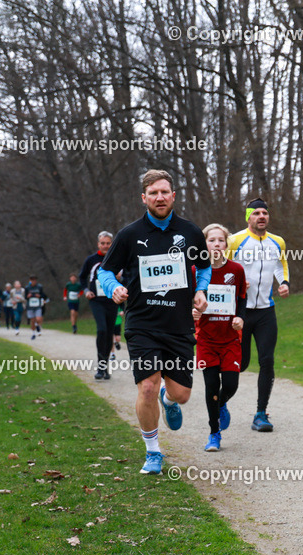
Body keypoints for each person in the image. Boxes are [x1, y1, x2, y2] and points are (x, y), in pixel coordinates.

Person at [97, 169, 210, 475]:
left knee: (181, 395)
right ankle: (153, 451)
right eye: (153, 193)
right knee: (147, 386)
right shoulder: (129, 235)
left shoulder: (190, 232)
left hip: (178, 324)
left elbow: (204, 267)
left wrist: (201, 290)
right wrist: (113, 287)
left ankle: (168, 401)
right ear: (143, 198)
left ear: (173, 196)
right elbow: (105, 271)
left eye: (164, 192)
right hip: (142, 323)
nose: (159, 197)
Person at [227, 198, 290, 432]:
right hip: (240, 312)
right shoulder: (234, 240)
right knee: (241, 364)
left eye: (265, 213)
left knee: (267, 360)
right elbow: (222, 268)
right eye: (256, 213)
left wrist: (284, 282)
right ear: (248, 217)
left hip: (266, 311)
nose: (261, 216)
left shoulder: (278, 241)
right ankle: (220, 402)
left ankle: (261, 413)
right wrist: (235, 284)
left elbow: (280, 265)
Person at [192, 224, 247, 452]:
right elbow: (187, 299)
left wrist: (240, 318)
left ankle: (222, 403)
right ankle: (214, 434)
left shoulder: (236, 270)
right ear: (204, 244)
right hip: (206, 339)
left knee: (231, 385)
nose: (216, 244)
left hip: (230, 339)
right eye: (211, 240)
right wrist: (192, 312)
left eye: (221, 240)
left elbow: (242, 298)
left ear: (226, 244)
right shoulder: (195, 270)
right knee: (211, 386)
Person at [80, 231, 117, 379]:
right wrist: (86, 291)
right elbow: (82, 277)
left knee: (109, 332)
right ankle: (101, 368)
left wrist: (120, 279)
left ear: (112, 244)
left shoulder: (117, 258)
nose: (105, 246)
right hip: (96, 300)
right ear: (98, 244)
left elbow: (126, 277)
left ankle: (104, 366)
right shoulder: (91, 260)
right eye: (103, 243)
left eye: (108, 243)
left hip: (112, 300)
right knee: (102, 330)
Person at [24, 275, 48, 340]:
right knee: (32, 320)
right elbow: (25, 297)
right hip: (30, 306)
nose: (33, 281)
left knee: (38, 319)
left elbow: (43, 295)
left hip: (38, 305)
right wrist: (28, 296)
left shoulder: (39, 287)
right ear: (30, 281)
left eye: (34, 280)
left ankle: (37, 325)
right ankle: (33, 333)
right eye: (32, 280)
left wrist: (39, 296)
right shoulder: (27, 287)